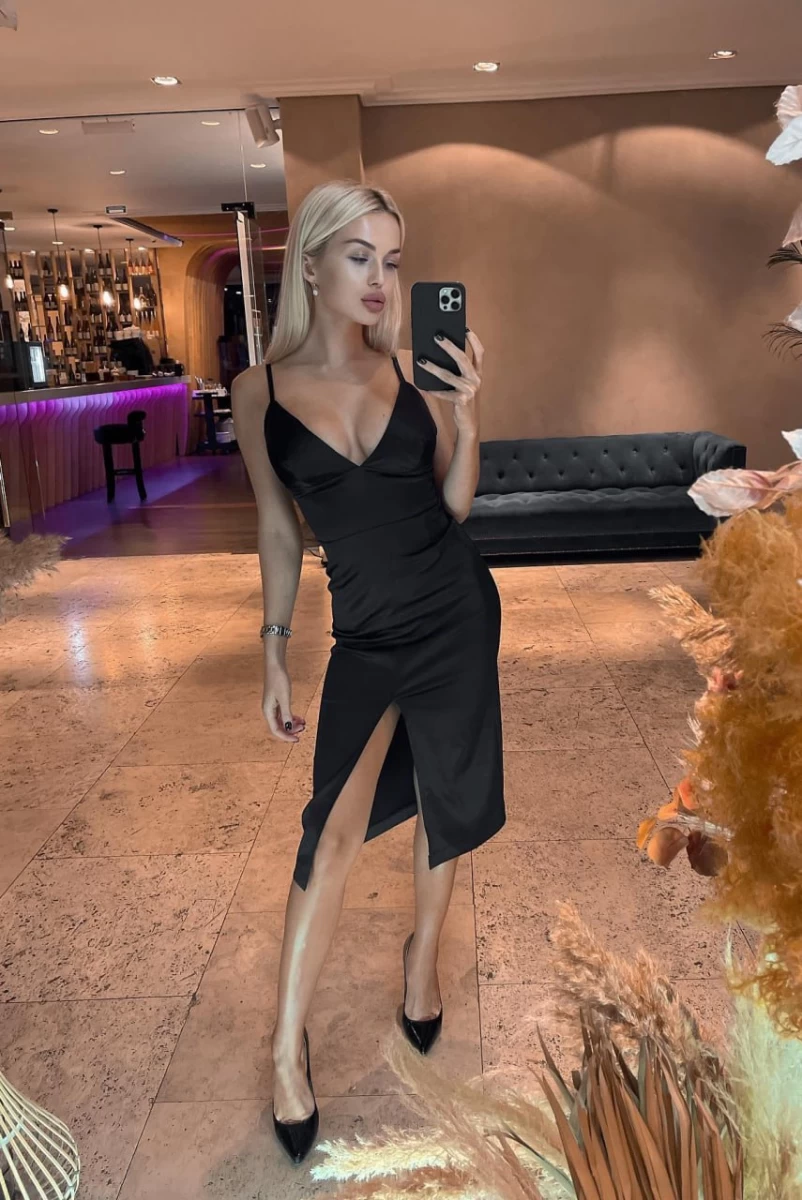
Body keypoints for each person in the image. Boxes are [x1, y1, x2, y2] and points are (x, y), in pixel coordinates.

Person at [231, 180, 505, 1166]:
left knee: (445, 798)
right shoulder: (258, 393)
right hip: (366, 636)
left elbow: (453, 508)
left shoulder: (412, 376)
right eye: (359, 258)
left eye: (391, 261)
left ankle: (421, 965)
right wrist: (273, 646)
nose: (381, 280)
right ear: (310, 264)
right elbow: (278, 528)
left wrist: (468, 416)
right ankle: (285, 1050)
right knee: (331, 831)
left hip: (454, 613)